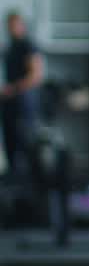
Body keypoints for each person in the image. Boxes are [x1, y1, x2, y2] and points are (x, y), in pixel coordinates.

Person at [2, 11, 44, 180]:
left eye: (15, 24)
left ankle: (29, 187)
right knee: (10, 144)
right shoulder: (10, 47)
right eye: (9, 25)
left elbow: (36, 76)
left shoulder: (28, 45)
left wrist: (13, 89)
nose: (11, 28)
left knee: (25, 144)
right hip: (9, 103)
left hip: (23, 102)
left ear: (22, 25)